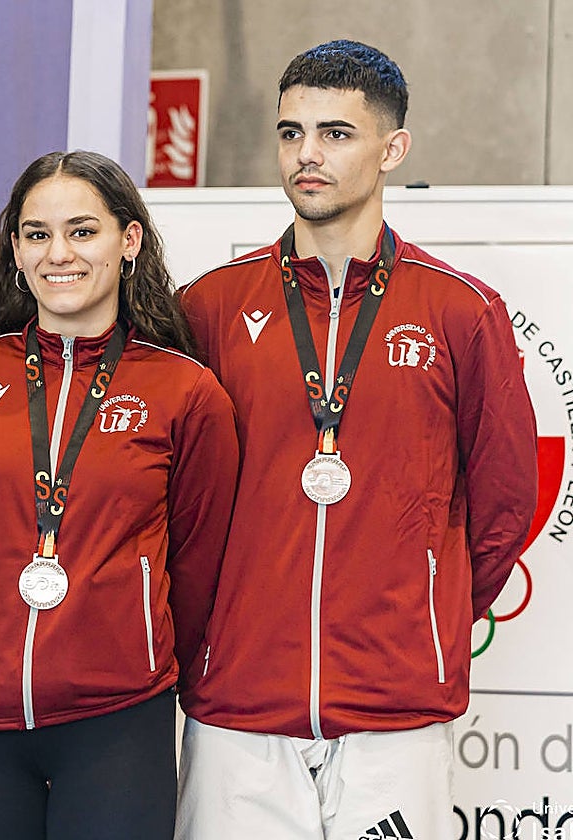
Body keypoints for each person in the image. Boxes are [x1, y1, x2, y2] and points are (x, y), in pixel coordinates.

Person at [175, 40, 538, 839]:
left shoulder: (461, 310)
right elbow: (172, 503)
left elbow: (506, 499)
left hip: (395, 713)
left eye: (336, 133)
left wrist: (424, 612)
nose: (308, 155)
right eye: (291, 132)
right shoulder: (207, 308)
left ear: (392, 149)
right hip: (239, 707)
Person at [0, 150, 239, 839]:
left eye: (82, 231)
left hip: (117, 721)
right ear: (15, 251)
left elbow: (198, 566)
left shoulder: (185, 391)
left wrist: (132, 643)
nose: (59, 253)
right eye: (37, 234)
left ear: (129, 241)